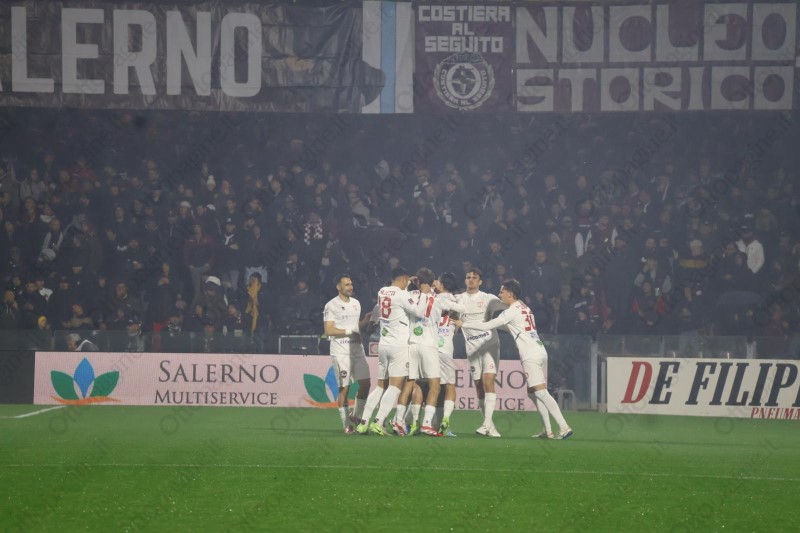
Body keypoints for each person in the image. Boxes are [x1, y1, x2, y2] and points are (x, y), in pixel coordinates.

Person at [457, 279, 573, 439]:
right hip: (539, 350)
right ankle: (548, 430)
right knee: (533, 393)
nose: (499, 295)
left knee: (541, 392)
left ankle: (564, 427)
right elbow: (511, 326)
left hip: (530, 355)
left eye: (502, 291)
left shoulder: (510, 311)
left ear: (510, 294)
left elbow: (485, 327)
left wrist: (462, 324)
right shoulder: (524, 307)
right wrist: (493, 322)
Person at [391, 268, 465, 436]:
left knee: (412, 384)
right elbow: (462, 307)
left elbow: (397, 294)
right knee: (435, 385)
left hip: (412, 344)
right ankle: (426, 424)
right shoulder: (438, 300)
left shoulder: (410, 296)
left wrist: (408, 284)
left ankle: (398, 421)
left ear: (417, 281)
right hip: (429, 345)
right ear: (432, 282)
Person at [356, 267, 415, 436]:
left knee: (380, 386)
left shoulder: (382, 291)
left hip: (383, 344)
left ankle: (363, 423)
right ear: (403, 279)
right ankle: (378, 422)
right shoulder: (403, 295)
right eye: (406, 281)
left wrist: (407, 284)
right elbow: (418, 310)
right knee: (395, 387)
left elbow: (396, 293)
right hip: (399, 346)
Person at [456, 268, 507, 437]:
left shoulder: (488, 298)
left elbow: (508, 304)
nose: (470, 279)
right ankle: (490, 426)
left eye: (474, 277)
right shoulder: (458, 299)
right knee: (479, 387)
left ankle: (486, 424)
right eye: (468, 277)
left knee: (488, 381)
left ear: (480, 282)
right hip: (472, 349)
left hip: (490, 345)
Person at [322, 275, 373, 434]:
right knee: (344, 388)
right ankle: (346, 424)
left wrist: (365, 322)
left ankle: (355, 415)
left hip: (357, 349)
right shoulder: (331, 305)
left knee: (366, 383)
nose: (350, 287)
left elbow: (355, 326)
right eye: (346, 284)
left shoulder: (356, 303)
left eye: (351, 284)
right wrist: (351, 331)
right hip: (341, 351)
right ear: (338, 287)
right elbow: (328, 330)